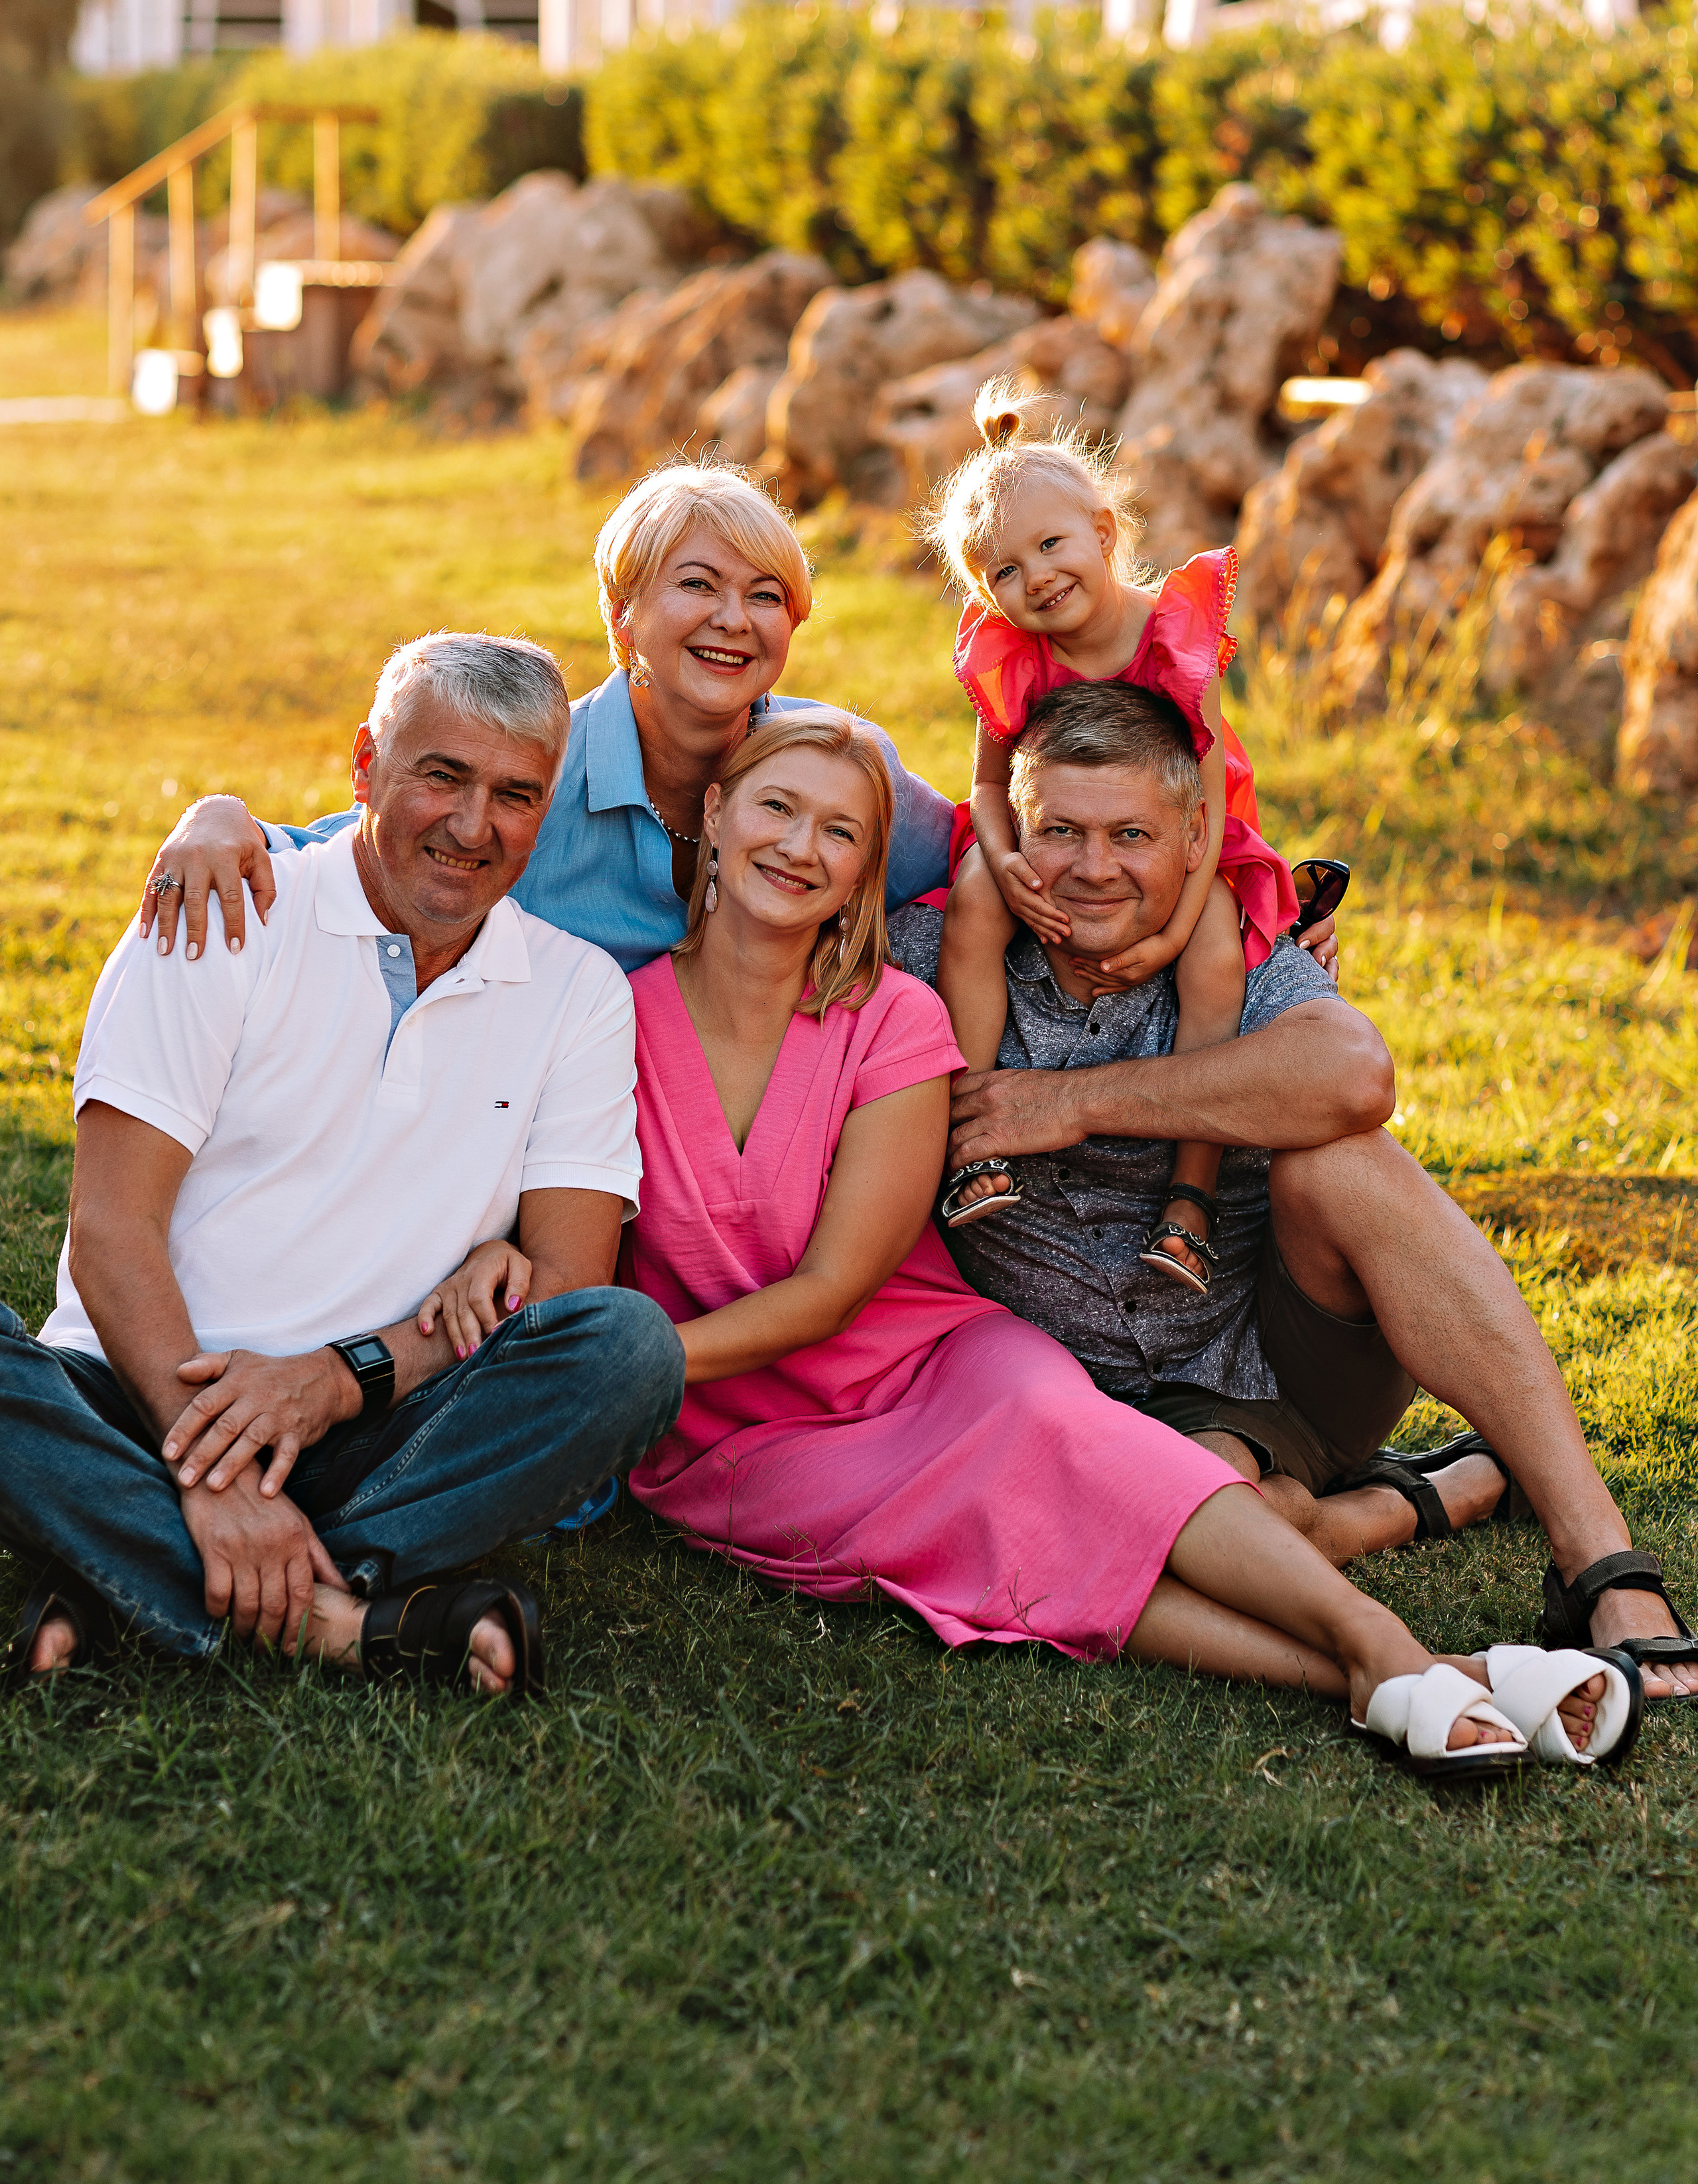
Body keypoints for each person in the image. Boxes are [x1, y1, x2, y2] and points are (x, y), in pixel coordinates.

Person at [426, 707, 1629, 1772]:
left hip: (940, 1353)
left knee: (1065, 1438)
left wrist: (620, 1367)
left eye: (840, 833)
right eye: (778, 810)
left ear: (868, 874)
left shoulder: (897, 1011)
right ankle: (1419, 1666)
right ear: (720, 814)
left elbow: (845, 1289)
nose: (801, 848)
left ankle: (1414, 1637)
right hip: (737, 1427)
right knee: (1009, 1530)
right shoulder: (608, 1013)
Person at [889, 677, 1698, 1704]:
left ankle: (1598, 1558)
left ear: (1195, 840)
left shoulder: (1242, 951)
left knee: (1341, 1153)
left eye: (1131, 834)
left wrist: (1073, 1104)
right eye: (1059, 831)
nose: (1092, 870)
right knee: (1204, 1533)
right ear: (1008, 832)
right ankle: (1409, 1502)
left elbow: (1357, 1074)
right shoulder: (929, 960)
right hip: (1080, 1410)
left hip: (1280, 1363)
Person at [0, 634, 683, 1695]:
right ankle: (341, 1617)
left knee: (628, 1350)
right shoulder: (224, 911)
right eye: (442, 776)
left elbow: (566, 1287)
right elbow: (109, 1231)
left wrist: (339, 1379)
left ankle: (116, 1557)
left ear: (545, 810)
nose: (472, 827)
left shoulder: (580, 995)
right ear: (365, 765)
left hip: (377, 1423)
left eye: (514, 793)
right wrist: (213, 1466)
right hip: (132, 1387)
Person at [135, 464, 953, 975]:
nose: (734, 619)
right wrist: (217, 817)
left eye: (765, 596)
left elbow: (974, 860)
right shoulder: (537, 769)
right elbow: (359, 847)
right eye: (697, 585)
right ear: (622, 616)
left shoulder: (848, 766)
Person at [917, 385, 1301, 1292]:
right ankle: (972, 1138)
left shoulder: (1172, 633)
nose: (1036, 579)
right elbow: (985, 778)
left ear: (1102, 531)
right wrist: (1006, 862)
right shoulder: (1013, 650)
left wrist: (1170, 932)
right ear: (985, 594)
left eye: (1050, 546)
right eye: (1003, 572)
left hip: (1185, 837)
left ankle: (1192, 1194)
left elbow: (1208, 800)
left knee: (1212, 951)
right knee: (973, 896)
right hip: (1047, 833)